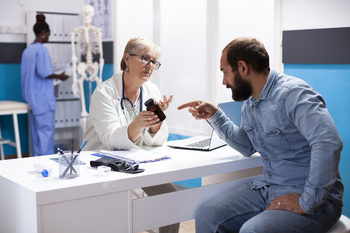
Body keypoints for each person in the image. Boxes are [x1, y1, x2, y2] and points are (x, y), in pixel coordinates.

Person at [178, 37, 343, 233]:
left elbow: (328, 141)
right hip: (269, 189)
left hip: (315, 200)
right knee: (207, 213)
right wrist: (215, 116)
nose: (224, 81)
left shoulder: (293, 94)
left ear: (242, 67)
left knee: (252, 230)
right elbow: (247, 147)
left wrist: (307, 202)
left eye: (224, 72)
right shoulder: (250, 102)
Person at [83, 37, 179, 233]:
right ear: (127, 59)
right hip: (104, 163)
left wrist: (155, 123)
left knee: (171, 198)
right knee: (124, 213)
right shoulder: (104, 92)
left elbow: (157, 140)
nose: (150, 66)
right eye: (145, 58)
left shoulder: (151, 89)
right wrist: (136, 125)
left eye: (154, 62)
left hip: (138, 162)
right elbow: (111, 139)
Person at [21, 14, 69, 156]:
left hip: (32, 99)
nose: (48, 37)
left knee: (37, 136)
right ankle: (45, 165)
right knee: (46, 135)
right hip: (43, 100)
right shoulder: (41, 50)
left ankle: (37, 163)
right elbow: (45, 73)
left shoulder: (27, 51)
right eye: (48, 35)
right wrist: (60, 76)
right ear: (42, 34)